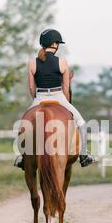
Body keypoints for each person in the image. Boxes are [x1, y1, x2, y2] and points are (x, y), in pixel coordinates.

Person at [15, 29, 94, 170]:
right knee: (81, 123)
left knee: (24, 125)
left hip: (39, 98)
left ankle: (23, 157)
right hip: (59, 97)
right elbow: (65, 88)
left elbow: (31, 88)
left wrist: (37, 100)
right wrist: (66, 102)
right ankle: (83, 155)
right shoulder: (62, 63)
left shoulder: (32, 63)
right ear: (55, 44)